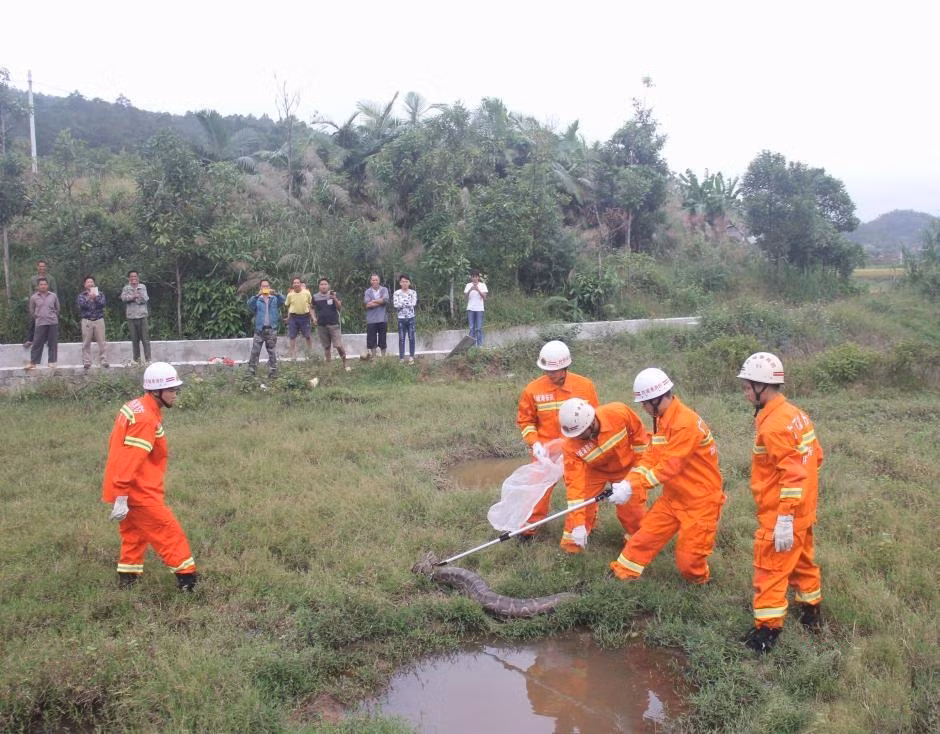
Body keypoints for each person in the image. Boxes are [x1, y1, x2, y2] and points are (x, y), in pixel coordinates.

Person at [738, 352, 825, 654]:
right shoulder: (795, 414)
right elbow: (817, 457)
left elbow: (791, 474)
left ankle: (768, 632)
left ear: (762, 387)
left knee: (770, 570)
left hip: (782, 513)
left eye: (748, 386)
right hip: (804, 509)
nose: (745, 392)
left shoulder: (774, 424)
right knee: (802, 562)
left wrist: (784, 518)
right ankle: (811, 612)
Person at [608, 368, 725, 585]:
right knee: (644, 537)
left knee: (688, 562)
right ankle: (622, 573)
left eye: (644, 403)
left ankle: (700, 583)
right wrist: (629, 482)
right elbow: (652, 457)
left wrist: (635, 486)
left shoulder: (684, 424)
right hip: (674, 498)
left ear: (658, 398)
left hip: (700, 503)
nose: (642, 408)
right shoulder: (664, 419)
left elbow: (669, 467)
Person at [101, 362, 198, 591]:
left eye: (176, 390)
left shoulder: (136, 407)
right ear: (156, 391)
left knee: (134, 533)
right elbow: (131, 458)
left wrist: (120, 491)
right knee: (168, 531)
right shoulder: (146, 420)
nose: (176, 394)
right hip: (138, 490)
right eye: (172, 390)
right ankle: (187, 579)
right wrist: (123, 493)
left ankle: (128, 579)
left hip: (129, 486)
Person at [516, 340, 599, 539]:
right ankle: (529, 529)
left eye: (553, 371)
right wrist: (534, 442)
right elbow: (525, 420)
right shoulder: (533, 390)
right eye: (546, 370)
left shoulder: (585, 387)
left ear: (565, 367)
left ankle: (585, 527)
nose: (549, 374)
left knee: (582, 491)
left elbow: (594, 419)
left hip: (578, 451)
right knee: (537, 493)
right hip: (545, 452)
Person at [557, 398, 649, 553]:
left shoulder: (618, 412)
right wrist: (578, 524)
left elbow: (641, 441)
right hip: (594, 470)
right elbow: (574, 486)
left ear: (591, 422)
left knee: (633, 511)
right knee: (581, 506)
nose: (576, 438)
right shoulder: (570, 445)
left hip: (626, 467)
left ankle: (636, 543)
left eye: (580, 434)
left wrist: (638, 473)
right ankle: (573, 545)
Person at [246, 279, 286, 378]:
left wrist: (275, 293)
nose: (265, 288)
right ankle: (251, 372)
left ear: (269, 287)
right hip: (259, 330)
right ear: (260, 288)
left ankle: (273, 372)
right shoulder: (257, 299)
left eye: (267, 286)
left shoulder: (274, 299)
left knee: (272, 352)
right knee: (255, 351)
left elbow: (283, 300)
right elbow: (249, 304)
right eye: (263, 286)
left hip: (271, 329)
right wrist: (257, 295)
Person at [312, 277, 350, 371]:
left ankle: (345, 363)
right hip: (321, 325)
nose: (323, 286)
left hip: (334, 324)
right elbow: (311, 308)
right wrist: (313, 318)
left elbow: (339, 308)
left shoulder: (335, 294)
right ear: (319, 286)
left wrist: (335, 299)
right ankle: (329, 367)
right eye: (321, 284)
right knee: (326, 347)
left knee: (338, 345)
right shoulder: (315, 297)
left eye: (325, 284)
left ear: (328, 286)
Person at [26, 277, 60, 369]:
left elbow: (58, 309)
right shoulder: (34, 297)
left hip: (52, 322)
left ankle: (52, 362)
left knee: (52, 342)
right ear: (38, 286)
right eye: (41, 284)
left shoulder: (53, 296)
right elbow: (32, 311)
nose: (43, 286)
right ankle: (33, 362)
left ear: (47, 285)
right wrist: (38, 316)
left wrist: (52, 315)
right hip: (40, 323)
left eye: (45, 284)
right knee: (37, 342)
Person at [77, 275, 109, 369]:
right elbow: (81, 305)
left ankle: (104, 360)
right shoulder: (82, 295)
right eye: (88, 282)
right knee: (86, 342)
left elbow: (103, 304)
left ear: (94, 284)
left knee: (102, 342)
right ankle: (87, 362)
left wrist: (95, 298)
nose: (90, 284)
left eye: (91, 282)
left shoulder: (100, 294)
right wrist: (88, 298)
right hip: (87, 320)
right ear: (85, 284)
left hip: (99, 319)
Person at [24, 259, 58, 348]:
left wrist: (52, 302)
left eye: (43, 266)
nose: (42, 268)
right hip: (36, 302)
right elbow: (30, 291)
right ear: (37, 267)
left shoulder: (51, 278)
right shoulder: (33, 278)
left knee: (49, 322)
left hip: (48, 302)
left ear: (46, 267)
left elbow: (55, 291)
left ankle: (47, 340)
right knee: (33, 320)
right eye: (40, 266)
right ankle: (29, 339)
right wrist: (34, 301)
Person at [120, 270, 151, 364]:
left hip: (142, 315)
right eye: (131, 276)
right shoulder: (126, 288)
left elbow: (145, 298)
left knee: (145, 339)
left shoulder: (142, 287)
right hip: (131, 317)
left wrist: (137, 298)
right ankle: (137, 360)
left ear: (138, 277)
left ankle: (148, 359)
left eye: (135, 276)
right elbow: (123, 298)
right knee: (134, 339)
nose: (134, 278)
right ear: (129, 278)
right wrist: (133, 297)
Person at [285, 276, 314, 359]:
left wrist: (312, 317)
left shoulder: (307, 293)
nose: (296, 284)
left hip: (305, 317)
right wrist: (288, 317)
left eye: (298, 282)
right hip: (293, 317)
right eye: (294, 283)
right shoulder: (290, 295)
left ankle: (310, 353)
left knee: (307, 336)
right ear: (292, 285)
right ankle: (293, 355)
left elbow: (310, 304)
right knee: (292, 336)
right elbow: (288, 306)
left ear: (300, 284)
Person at [393, 274, 418, 364]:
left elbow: (414, 303)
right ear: (400, 283)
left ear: (409, 283)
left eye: (406, 281)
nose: (404, 283)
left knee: (411, 338)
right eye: (403, 281)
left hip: (411, 318)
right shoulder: (396, 293)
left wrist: (402, 303)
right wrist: (407, 302)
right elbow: (396, 305)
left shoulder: (413, 292)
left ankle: (411, 357)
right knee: (401, 338)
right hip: (401, 318)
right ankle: (401, 358)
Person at [363, 273, 390, 359]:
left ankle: (383, 358)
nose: (375, 281)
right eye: (373, 280)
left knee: (383, 339)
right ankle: (374, 358)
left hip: (383, 319)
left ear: (379, 281)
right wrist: (380, 301)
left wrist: (373, 301)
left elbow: (386, 300)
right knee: (372, 339)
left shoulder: (384, 289)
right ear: (370, 281)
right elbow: (367, 305)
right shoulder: (367, 291)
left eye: (376, 279)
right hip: (371, 320)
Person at [464, 268, 489, 347]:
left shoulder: (482, 285)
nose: (474, 278)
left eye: (476, 276)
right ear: (471, 277)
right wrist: (470, 290)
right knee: (471, 328)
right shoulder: (468, 285)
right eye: (473, 276)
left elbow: (484, 297)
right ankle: (470, 347)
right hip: (470, 309)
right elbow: (465, 297)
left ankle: (480, 346)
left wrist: (478, 289)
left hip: (479, 309)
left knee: (479, 328)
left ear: (478, 277)